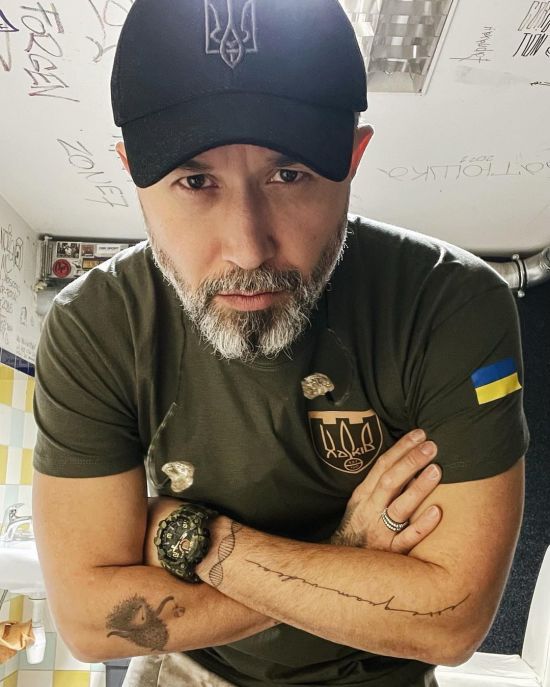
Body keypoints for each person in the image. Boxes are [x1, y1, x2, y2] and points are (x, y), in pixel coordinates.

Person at [31, 1, 529, 686]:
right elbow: (92, 623)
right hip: (189, 668)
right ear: (134, 175)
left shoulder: (450, 302)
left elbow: (449, 621)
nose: (247, 247)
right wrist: (346, 548)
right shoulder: (94, 326)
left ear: (351, 160)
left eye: (289, 174)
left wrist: (202, 544)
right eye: (195, 181)